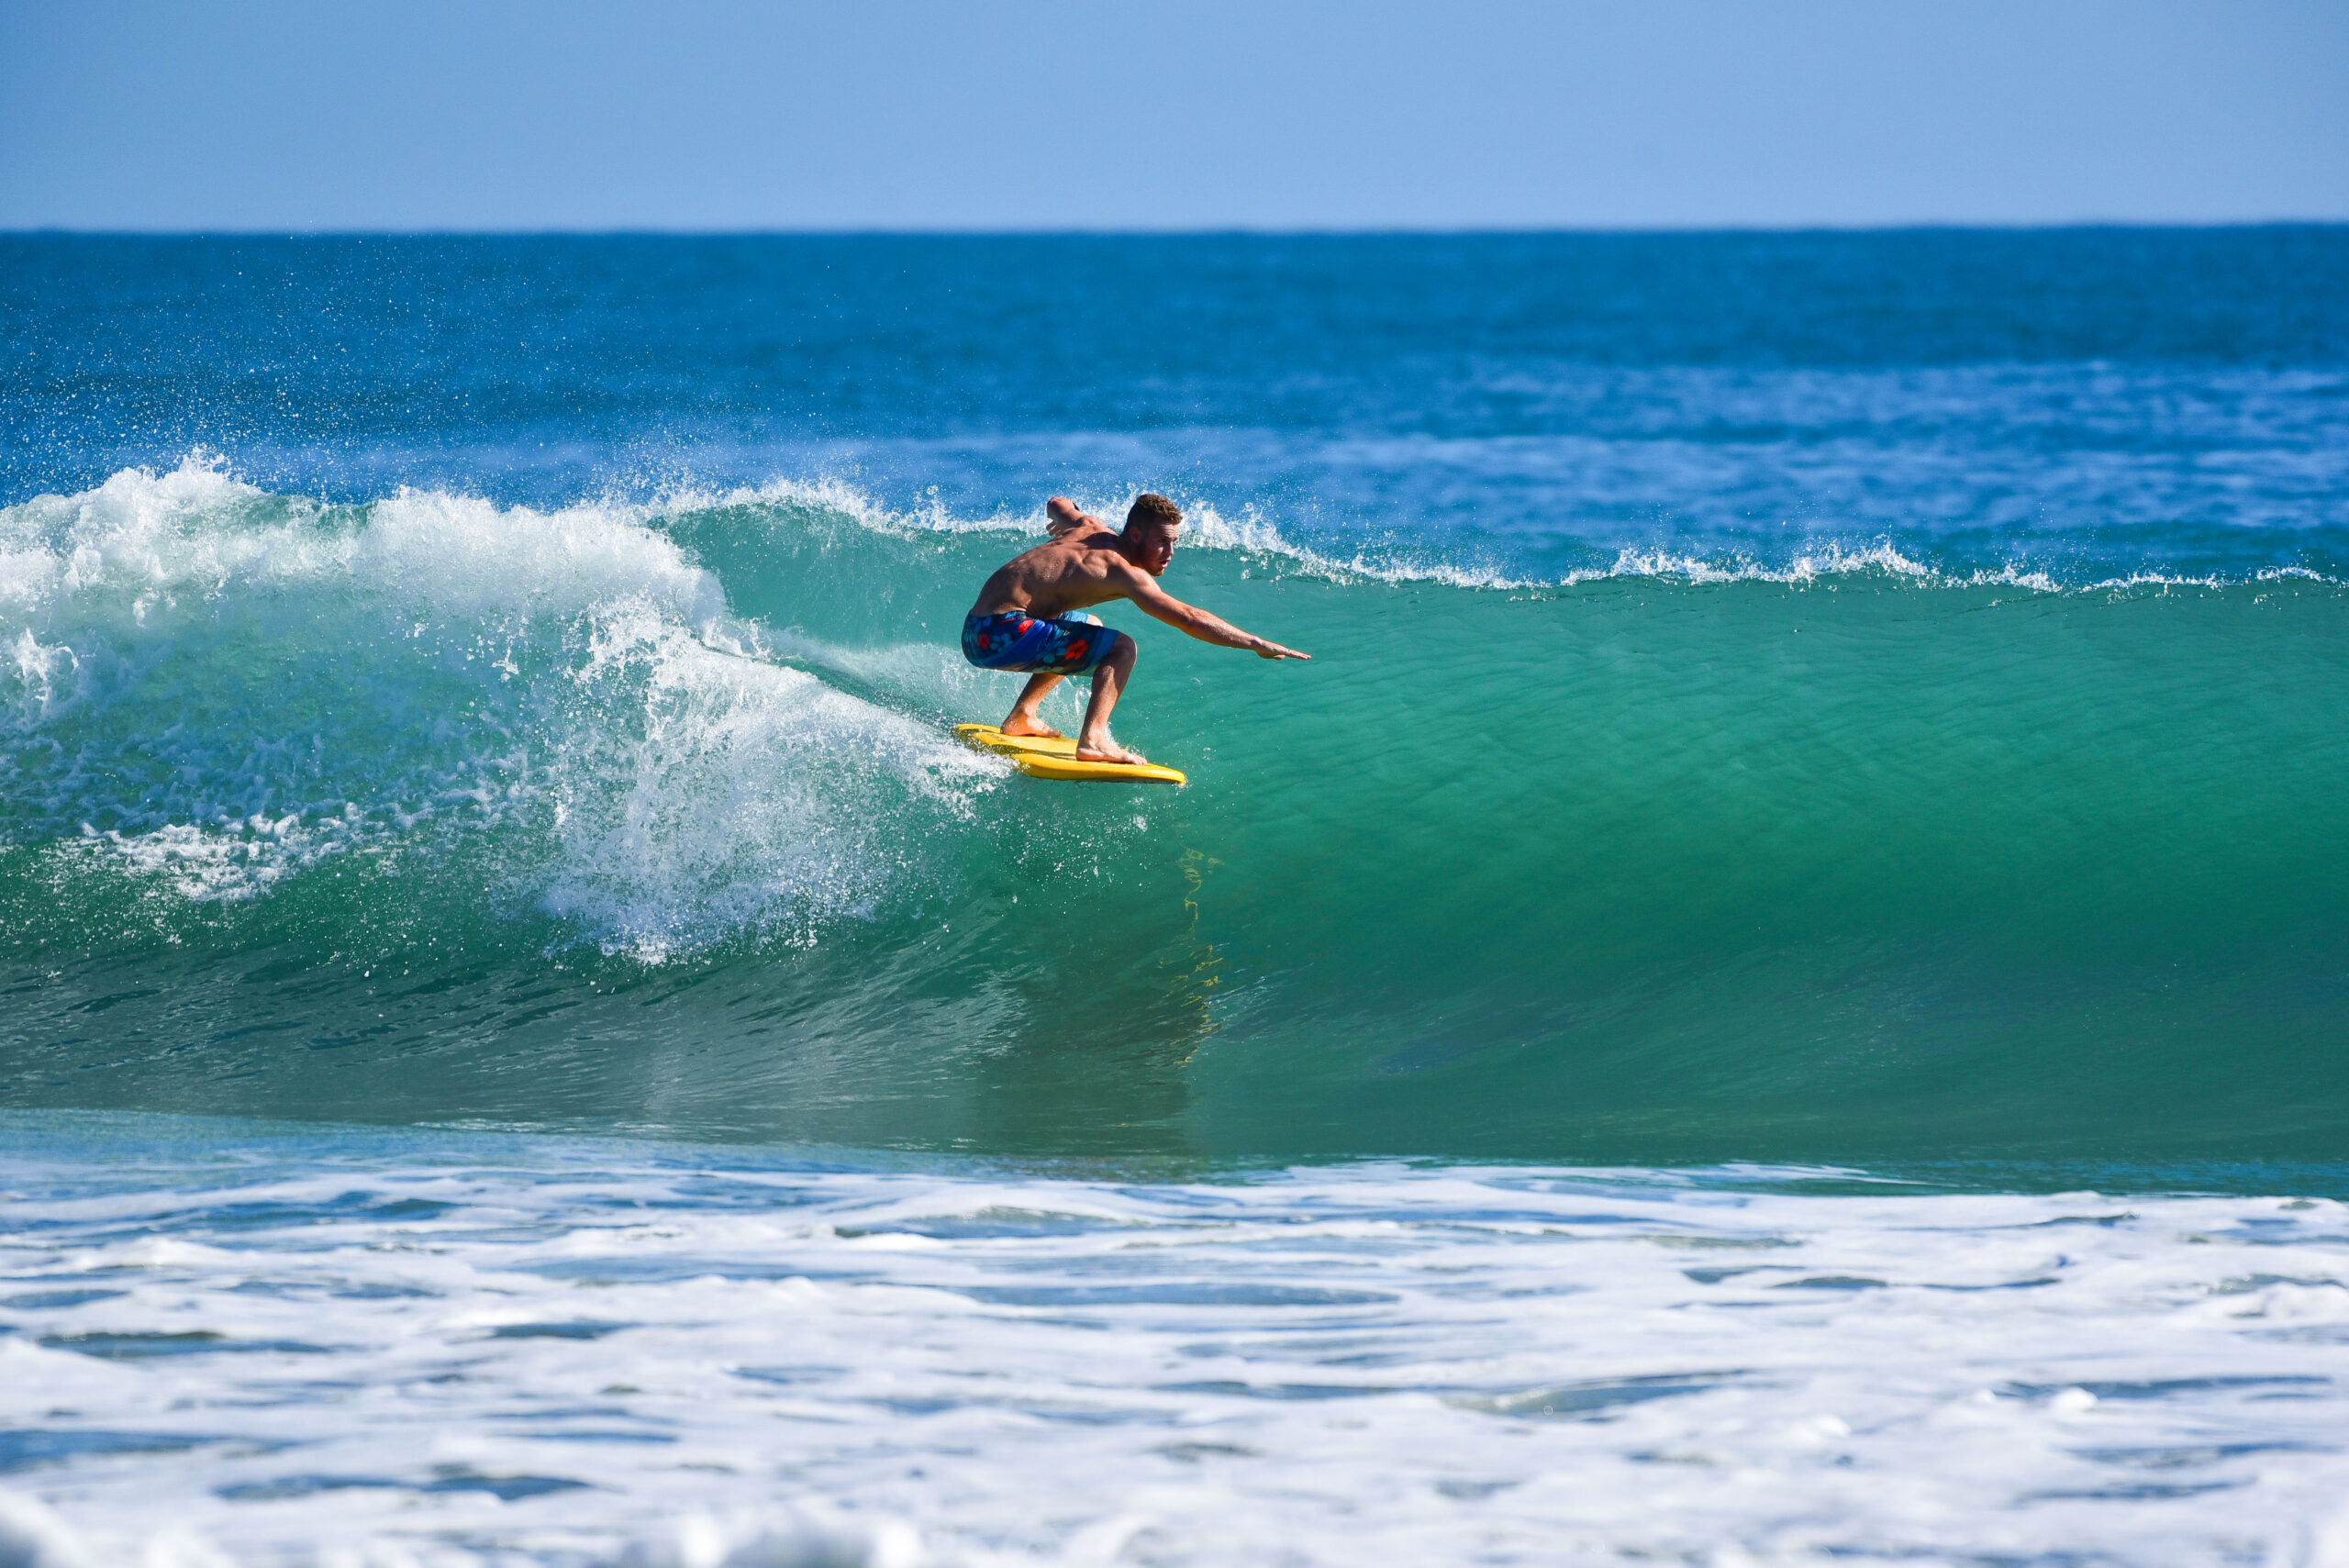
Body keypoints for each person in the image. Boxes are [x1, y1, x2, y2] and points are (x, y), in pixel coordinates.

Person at [961, 494, 1308, 764]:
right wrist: (1254, 642)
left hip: (977, 630)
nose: (1169, 553)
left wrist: (1059, 520)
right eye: (1162, 542)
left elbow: (1057, 503)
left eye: (1174, 543)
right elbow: (1188, 617)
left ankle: (1023, 715)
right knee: (1121, 649)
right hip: (997, 636)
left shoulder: (1089, 528)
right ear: (1137, 534)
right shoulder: (1121, 570)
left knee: (1090, 628)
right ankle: (1093, 739)